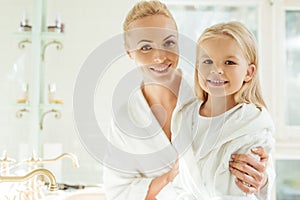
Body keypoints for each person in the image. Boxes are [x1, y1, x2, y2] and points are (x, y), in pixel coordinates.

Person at [103, 1, 272, 199]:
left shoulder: (214, 95)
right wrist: (170, 177)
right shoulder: (125, 119)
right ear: (129, 52)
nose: (159, 56)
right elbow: (117, 192)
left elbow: (259, 161)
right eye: (146, 47)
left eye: (168, 43)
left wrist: (262, 178)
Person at [176, 21, 275, 199]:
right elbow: (180, 181)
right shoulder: (185, 115)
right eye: (207, 61)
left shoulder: (251, 124)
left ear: (249, 72)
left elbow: (242, 189)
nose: (217, 70)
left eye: (229, 62)